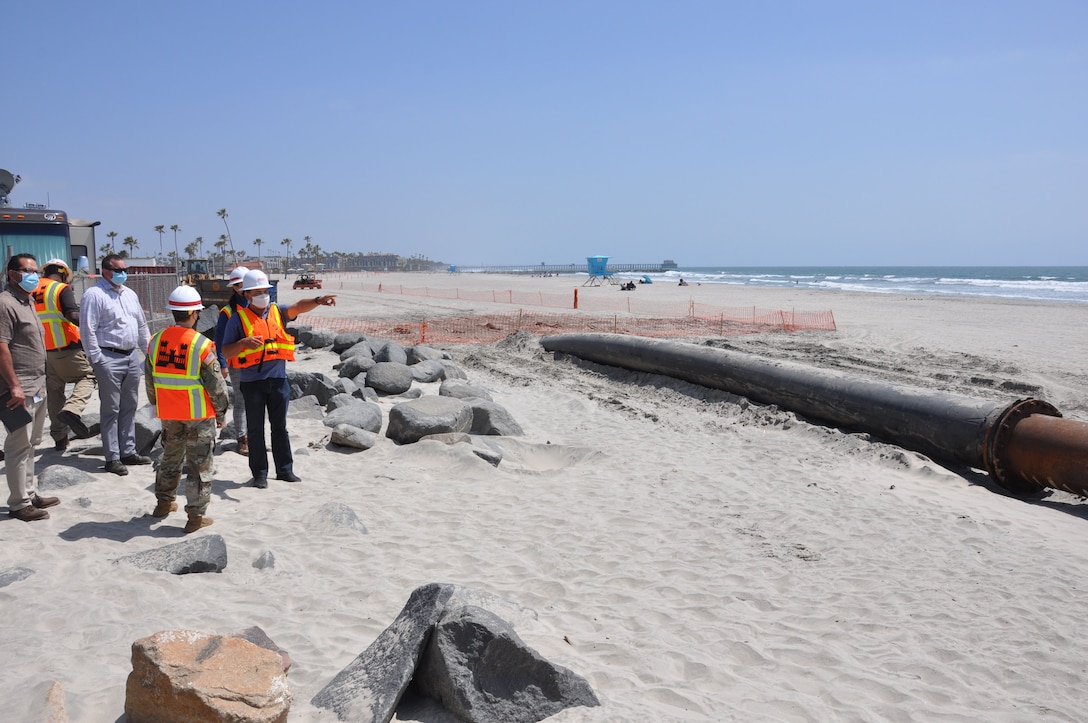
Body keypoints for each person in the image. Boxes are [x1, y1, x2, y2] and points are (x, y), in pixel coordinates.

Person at [221, 269, 336, 487]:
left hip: (278, 380)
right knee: (255, 429)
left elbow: (297, 307)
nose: (263, 295)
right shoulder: (237, 319)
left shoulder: (276, 311)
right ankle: (260, 474)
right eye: (257, 292)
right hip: (252, 383)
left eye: (265, 291)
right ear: (246, 295)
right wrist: (243, 343)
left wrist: (318, 300)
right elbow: (226, 351)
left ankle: (285, 470)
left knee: (280, 427)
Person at [145, 286, 230, 533]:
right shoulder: (202, 345)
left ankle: (163, 504)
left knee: (170, 459)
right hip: (198, 416)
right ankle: (195, 518)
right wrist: (222, 413)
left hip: (169, 414)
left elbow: (150, 381)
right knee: (199, 467)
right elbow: (216, 386)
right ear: (194, 313)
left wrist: (156, 407)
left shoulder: (155, 341)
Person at [79, 253, 152, 475]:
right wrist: (97, 358)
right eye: (118, 270)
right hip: (108, 356)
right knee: (111, 408)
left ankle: (128, 451)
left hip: (131, 356)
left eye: (124, 270)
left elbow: (141, 325)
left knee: (129, 404)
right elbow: (87, 329)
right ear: (106, 271)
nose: (123, 274)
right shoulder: (94, 295)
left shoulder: (130, 294)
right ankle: (112, 457)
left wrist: (147, 351)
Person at [1, 254, 60, 521]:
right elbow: (2, 347)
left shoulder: (27, 301)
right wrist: (13, 385)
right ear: (13, 274)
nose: (34, 276)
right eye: (28, 271)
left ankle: (29, 492)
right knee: (18, 444)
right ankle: (18, 504)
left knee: (32, 443)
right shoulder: (4, 304)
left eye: (36, 271)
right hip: (19, 387)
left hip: (37, 383)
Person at [31, 258, 97, 451]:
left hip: (44, 352)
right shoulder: (60, 289)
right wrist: (92, 325)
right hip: (66, 348)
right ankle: (72, 410)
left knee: (55, 392)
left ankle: (60, 439)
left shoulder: (31, 290)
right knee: (87, 377)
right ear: (62, 274)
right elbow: (72, 315)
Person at [214, 266, 249, 455]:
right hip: (237, 363)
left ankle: (254, 437)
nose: (239, 287)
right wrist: (223, 363)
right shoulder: (228, 312)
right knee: (242, 401)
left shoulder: (258, 305)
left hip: (258, 363)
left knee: (256, 401)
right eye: (236, 285)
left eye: (241, 283)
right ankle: (242, 439)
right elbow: (219, 340)